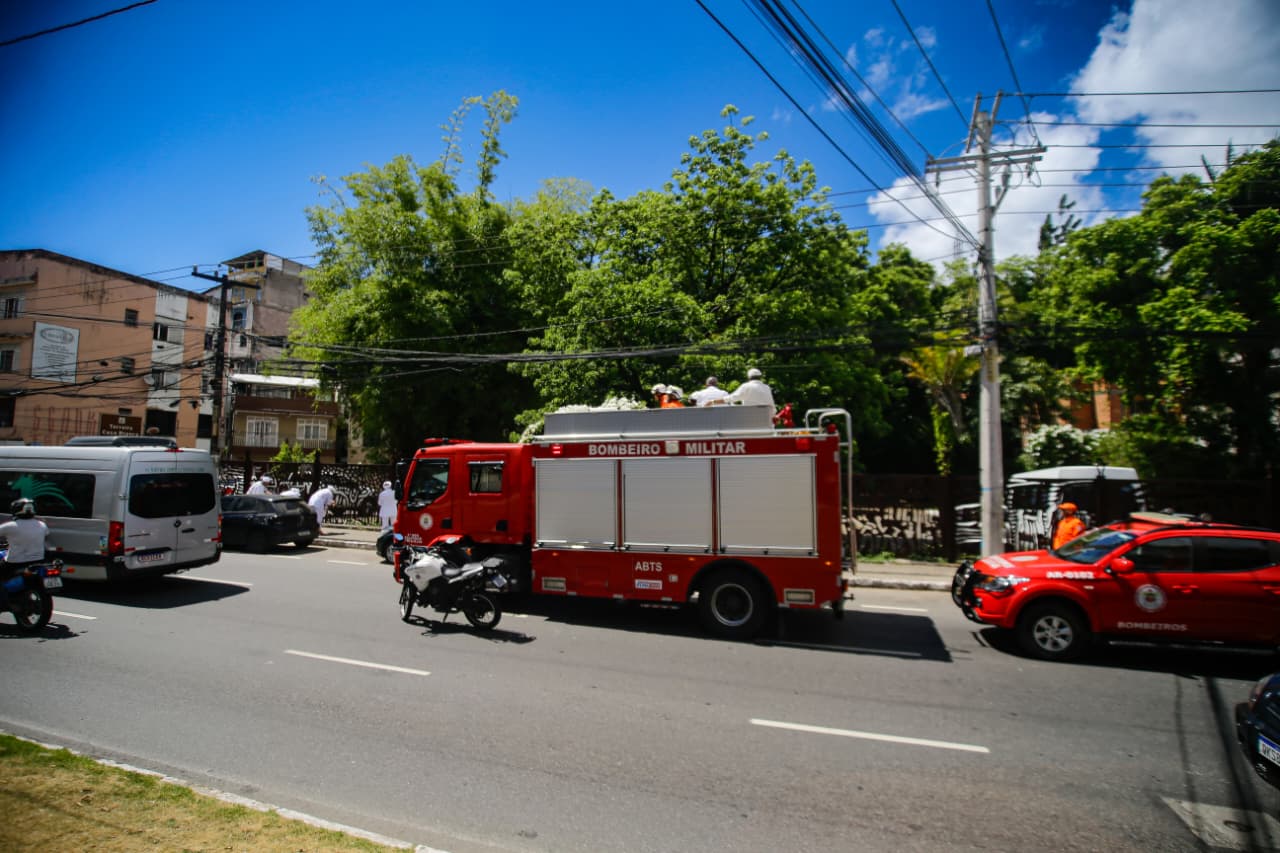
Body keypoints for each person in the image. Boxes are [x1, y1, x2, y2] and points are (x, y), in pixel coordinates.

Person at [0, 498, 49, 573]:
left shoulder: (10, 526)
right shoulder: (42, 525)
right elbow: (45, 536)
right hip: (38, 561)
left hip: (15, 563)